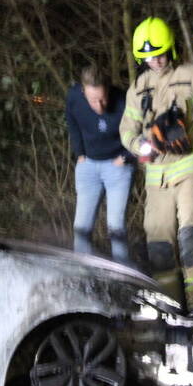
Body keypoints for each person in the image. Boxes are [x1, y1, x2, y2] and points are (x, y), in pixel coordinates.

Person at [118, 17, 193, 315]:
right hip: (156, 177)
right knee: (158, 247)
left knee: (191, 237)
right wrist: (140, 146)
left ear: (172, 49)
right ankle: (170, 309)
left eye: (160, 54)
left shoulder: (191, 75)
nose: (155, 61)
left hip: (190, 168)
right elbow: (126, 131)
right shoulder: (138, 88)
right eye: (148, 57)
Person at [65, 64, 134, 262]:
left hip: (117, 166)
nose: (100, 106)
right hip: (88, 165)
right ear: (83, 91)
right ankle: (84, 272)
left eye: (103, 99)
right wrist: (79, 153)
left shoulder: (123, 100)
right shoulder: (73, 98)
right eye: (94, 100)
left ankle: (123, 273)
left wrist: (126, 157)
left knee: (116, 227)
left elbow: (139, 130)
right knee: (81, 227)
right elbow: (71, 122)